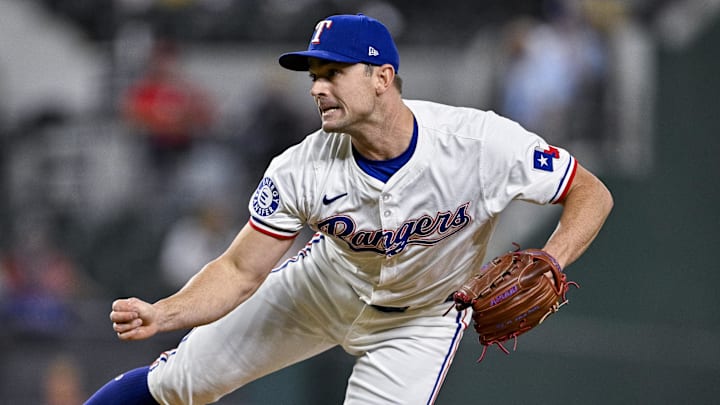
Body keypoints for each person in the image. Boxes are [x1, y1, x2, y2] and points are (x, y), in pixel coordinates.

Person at [85, 13, 613, 405]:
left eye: (334, 73)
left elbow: (591, 192)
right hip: (320, 290)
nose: (317, 86)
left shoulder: (478, 143)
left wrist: (553, 258)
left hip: (421, 323)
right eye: (314, 74)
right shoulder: (300, 167)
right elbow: (240, 270)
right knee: (176, 383)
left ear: (382, 77)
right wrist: (165, 312)